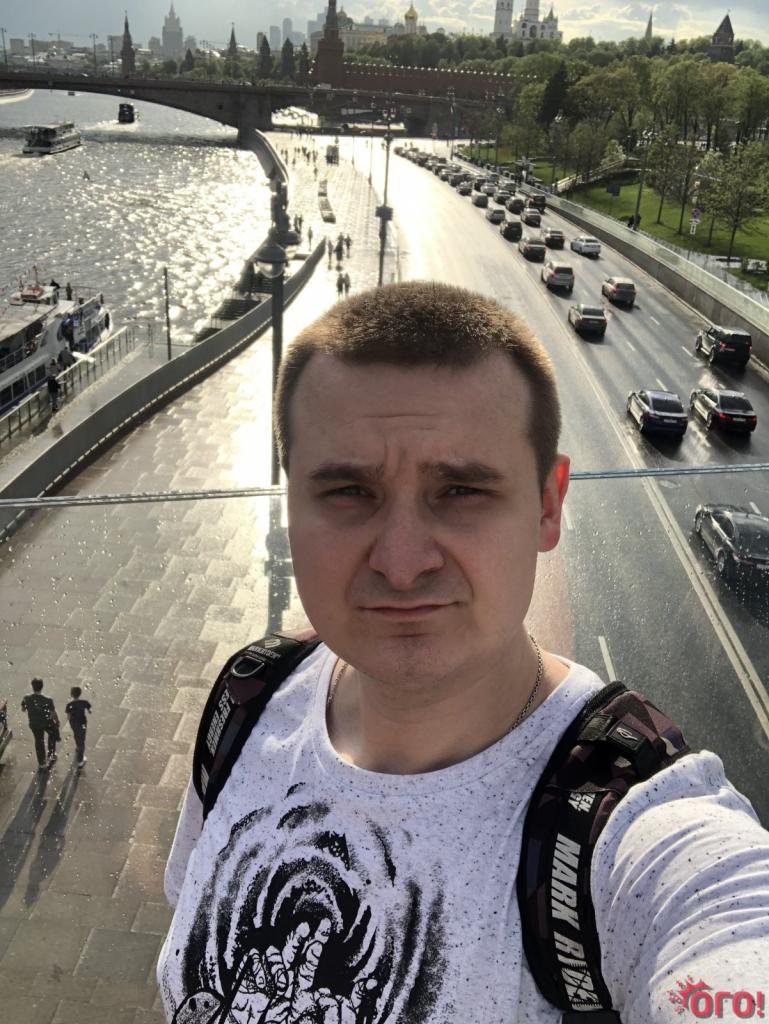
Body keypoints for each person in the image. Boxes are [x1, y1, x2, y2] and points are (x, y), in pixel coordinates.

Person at [159, 283, 769, 1023]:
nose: (402, 562)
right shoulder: (248, 698)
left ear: (548, 506)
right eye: (348, 490)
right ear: (289, 504)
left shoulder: (633, 828)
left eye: (461, 491)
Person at [21, 678, 59, 771]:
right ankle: (51, 754)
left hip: (34, 724)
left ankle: (42, 763)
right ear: (42, 687)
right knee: (52, 734)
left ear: (32, 686)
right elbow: (53, 713)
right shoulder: (48, 700)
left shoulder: (26, 698)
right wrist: (57, 721)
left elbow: (23, 709)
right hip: (46, 723)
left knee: (39, 741)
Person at [65, 686, 91, 768]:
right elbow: (89, 710)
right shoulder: (84, 702)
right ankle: (80, 760)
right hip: (82, 722)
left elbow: (68, 716)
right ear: (80, 693)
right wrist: (88, 710)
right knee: (82, 740)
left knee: (76, 734)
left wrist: (70, 720)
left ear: (71, 694)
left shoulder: (69, 705)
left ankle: (77, 746)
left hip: (74, 723)